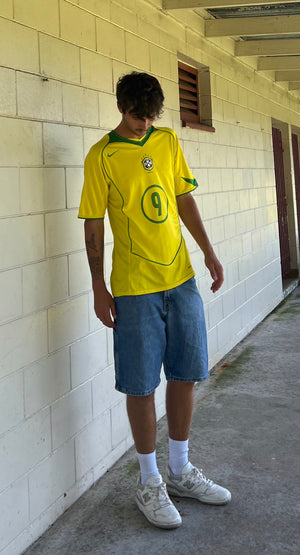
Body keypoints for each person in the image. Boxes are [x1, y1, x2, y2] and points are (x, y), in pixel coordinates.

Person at [78, 72, 231, 529]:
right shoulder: (101, 155)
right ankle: (149, 482)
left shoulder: (167, 142)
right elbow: (92, 224)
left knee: (186, 374)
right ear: (120, 107)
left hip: (180, 279)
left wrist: (208, 252)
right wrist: (98, 286)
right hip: (134, 287)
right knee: (141, 384)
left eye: (150, 116)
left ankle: (180, 471)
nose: (143, 124)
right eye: (135, 115)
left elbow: (183, 199)